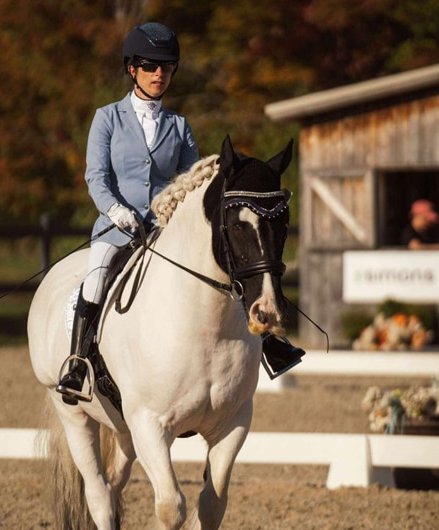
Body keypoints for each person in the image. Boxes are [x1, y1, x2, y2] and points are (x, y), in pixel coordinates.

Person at [56, 22, 303, 404]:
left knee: (230, 269)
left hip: (166, 229)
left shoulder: (179, 126)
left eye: (166, 68)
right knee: (95, 280)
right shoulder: (107, 118)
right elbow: (96, 176)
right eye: (151, 67)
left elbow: (191, 182)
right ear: (132, 69)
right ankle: (77, 363)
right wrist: (116, 210)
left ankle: (270, 344)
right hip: (117, 229)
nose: (159, 75)